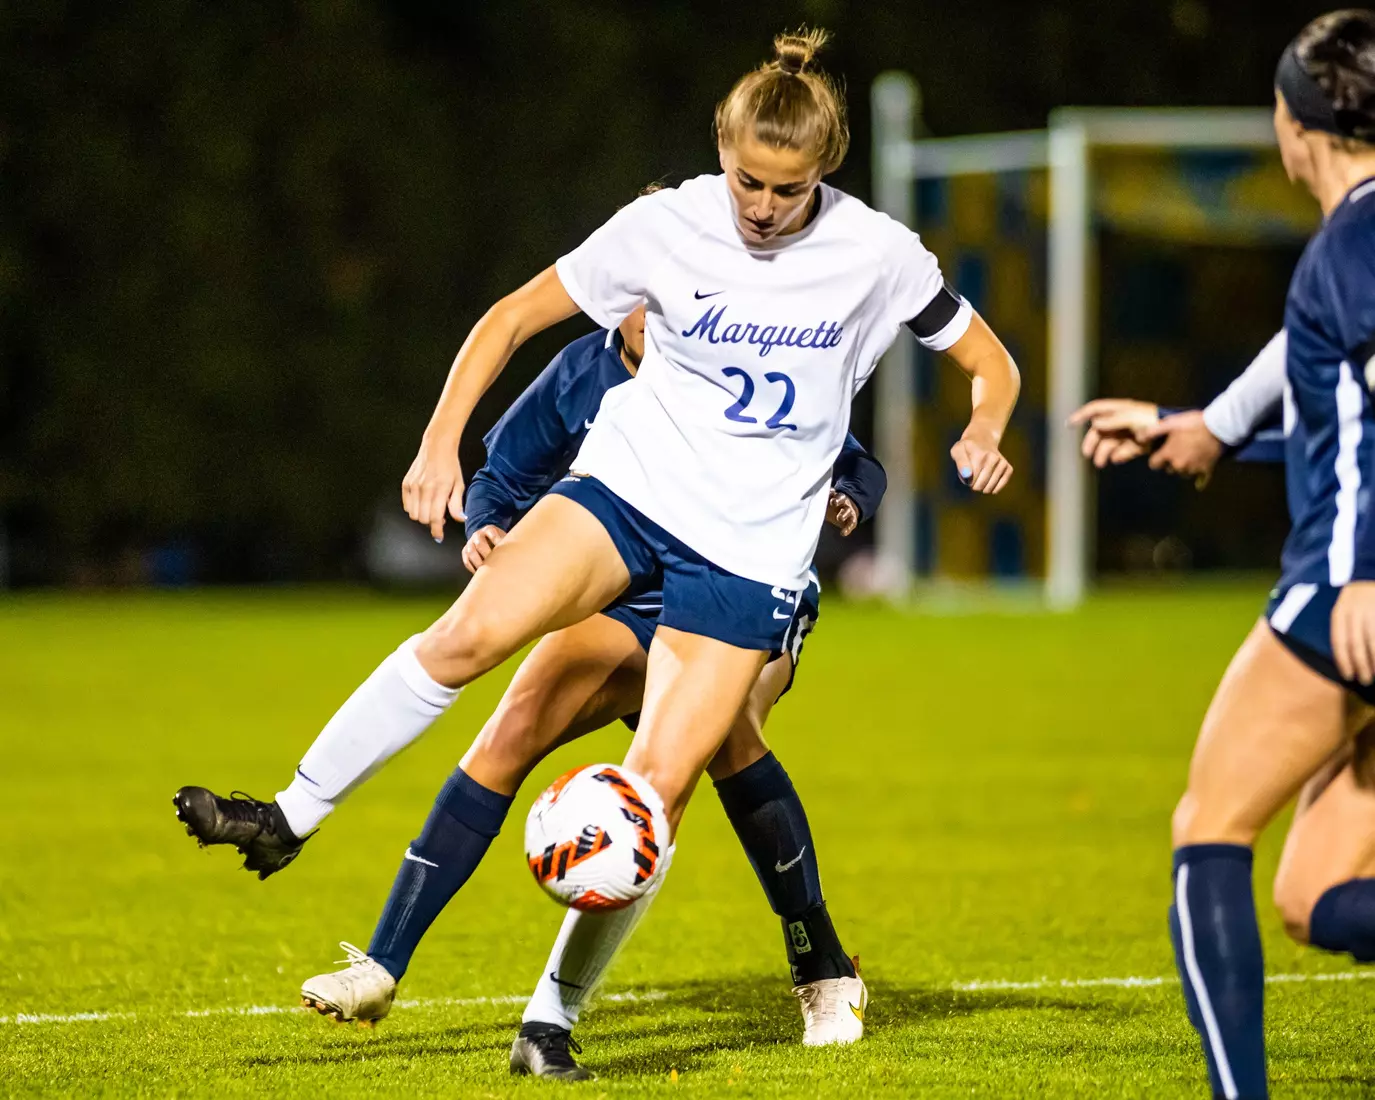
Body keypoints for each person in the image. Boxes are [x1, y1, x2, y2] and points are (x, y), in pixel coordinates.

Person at [174, 25, 1019, 1077]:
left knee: (650, 792)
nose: (760, 207)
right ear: (719, 147)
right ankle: (288, 813)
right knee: (470, 635)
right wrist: (441, 442)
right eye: (746, 180)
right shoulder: (664, 226)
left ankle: (550, 1022)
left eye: (786, 191)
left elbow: (991, 363)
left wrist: (983, 427)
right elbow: (511, 317)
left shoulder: (876, 252)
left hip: (745, 556)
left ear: (824, 174)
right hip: (629, 491)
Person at [1078, 13, 1375, 1097]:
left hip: (1346, 594)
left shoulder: (1355, 238)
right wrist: (1202, 423)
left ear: (1298, 125)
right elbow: (1326, 387)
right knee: (1314, 892)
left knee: (1210, 827)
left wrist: (1361, 566)